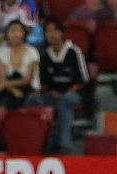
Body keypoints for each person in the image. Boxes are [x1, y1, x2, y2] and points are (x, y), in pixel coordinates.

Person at [28, 19, 89, 154]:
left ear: (61, 33)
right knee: (31, 100)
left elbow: (83, 80)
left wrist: (64, 93)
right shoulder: (45, 55)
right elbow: (43, 83)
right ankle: (37, 144)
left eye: (54, 31)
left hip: (73, 93)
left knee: (65, 101)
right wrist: (51, 92)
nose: (51, 34)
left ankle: (64, 145)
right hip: (52, 94)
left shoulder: (74, 52)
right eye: (48, 31)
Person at [0, 20, 39, 110]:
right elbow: (2, 79)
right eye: (12, 31)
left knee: (6, 101)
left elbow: (27, 80)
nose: (16, 34)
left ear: (24, 33)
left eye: (19, 31)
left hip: (28, 89)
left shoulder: (32, 51)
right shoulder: (3, 52)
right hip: (9, 89)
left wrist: (5, 85)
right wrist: (12, 89)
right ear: (7, 34)